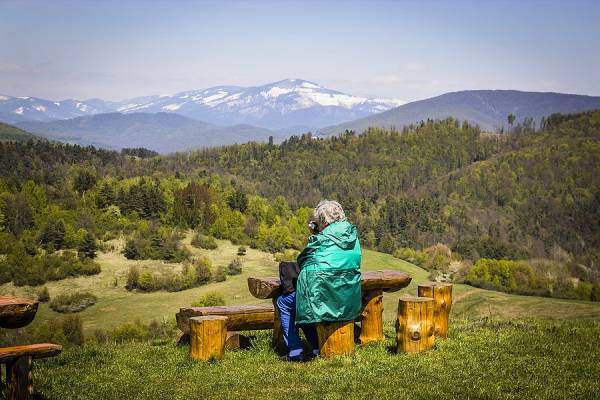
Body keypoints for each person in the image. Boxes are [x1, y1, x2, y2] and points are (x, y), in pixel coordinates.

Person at [276, 200, 362, 362]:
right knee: (308, 300)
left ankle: (295, 350)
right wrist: (319, 232)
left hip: (323, 296)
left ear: (323, 221)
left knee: (286, 302)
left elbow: (303, 259)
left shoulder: (321, 238)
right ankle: (316, 346)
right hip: (348, 297)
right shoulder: (352, 235)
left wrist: (316, 234)